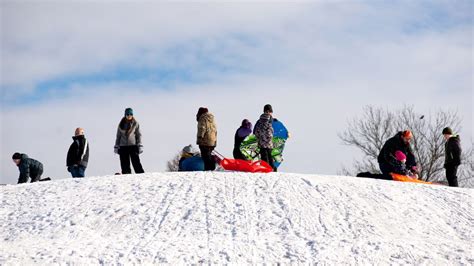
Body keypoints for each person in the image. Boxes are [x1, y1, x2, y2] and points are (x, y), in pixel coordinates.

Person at [114, 107, 144, 174]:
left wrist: (140, 144)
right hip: (123, 146)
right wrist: (116, 145)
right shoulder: (121, 124)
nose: (129, 116)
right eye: (127, 114)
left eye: (130, 114)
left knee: (136, 162)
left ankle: (141, 175)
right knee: (124, 164)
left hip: (133, 146)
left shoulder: (135, 123)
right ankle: (126, 176)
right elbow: (118, 136)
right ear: (125, 115)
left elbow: (138, 135)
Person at [254, 104, 275, 171]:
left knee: (264, 157)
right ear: (269, 111)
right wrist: (270, 137)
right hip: (268, 142)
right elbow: (270, 131)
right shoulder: (270, 119)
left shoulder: (259, 121)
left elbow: (255, 131)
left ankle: (265, 169)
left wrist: (258, 138)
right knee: (270, 156)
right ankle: (272, 170)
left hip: (261, 141)